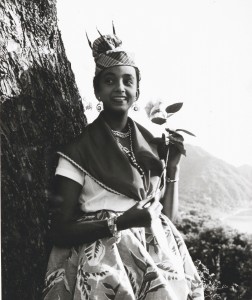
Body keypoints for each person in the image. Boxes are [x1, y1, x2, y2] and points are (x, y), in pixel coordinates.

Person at [43, 27, 204, 300]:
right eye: (109, 81)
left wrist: (173, 168)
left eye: (127, 81)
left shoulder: (152, 147)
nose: (119, 88)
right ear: (97, 91)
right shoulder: (78, 152)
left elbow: (165, 221)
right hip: (107, 260)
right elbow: (59, 231)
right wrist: (118, 223)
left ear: (137, 92)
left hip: (157, 257)